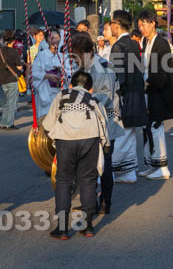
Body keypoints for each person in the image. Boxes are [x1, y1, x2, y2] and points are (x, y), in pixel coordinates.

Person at [41, 70, 109, 240]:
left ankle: (62, 228)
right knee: (88, 179)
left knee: (63, 180)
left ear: (70, 85)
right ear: (91, 89)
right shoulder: (94, 99)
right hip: (90, 138)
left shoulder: (61, 95)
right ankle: (88, 226)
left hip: (65, 140)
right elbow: (104, 123)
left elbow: (48, 124)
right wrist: (105, 146)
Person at [69, 32, 118, 214]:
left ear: (87, 52)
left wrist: (83, 98)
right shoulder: (82, 68)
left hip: (107, 121)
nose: (75, 60)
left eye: (77, 56)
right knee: (86, 163)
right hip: (87, 122)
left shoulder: (104, 67)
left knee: (104, 163)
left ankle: (106, 200)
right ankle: (90, 201)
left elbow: (105, 96)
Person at [107, 9, 147, 184]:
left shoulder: (118, 46)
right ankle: (129, 172)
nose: (110, 26)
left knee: (120, 135)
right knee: (129, 135)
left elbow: (116, 76)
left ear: (117, 24)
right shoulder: (133, 44)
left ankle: (113, 170)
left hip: (124, 96)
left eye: (112, 23)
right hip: (137, 93)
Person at [139, 9, 173, 179]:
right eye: (140, 25)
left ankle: (163, 167)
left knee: (156, 127)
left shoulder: (161, 43)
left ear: (153, 23)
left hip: (158, 90)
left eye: (145, 24)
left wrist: (149, 81)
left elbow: (163, 69)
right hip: (149, 89)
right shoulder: (147, 42)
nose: (142, 28)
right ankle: (152, 164)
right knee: (148, 128)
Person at [32, 29, 68, 116]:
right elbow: (35, 72)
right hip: (46, 91)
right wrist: (46, 75)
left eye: (57, 37)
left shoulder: (63, 56)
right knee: (46, 118)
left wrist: (65, 77)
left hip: (60, 91)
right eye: (51, 37)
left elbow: (70, 73)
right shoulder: (41, 55)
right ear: (47, 39)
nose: (54, 40)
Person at [0, 30, 24, 130]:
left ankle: (3, 123)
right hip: (12, 79)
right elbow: (20, 67)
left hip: (3, 79)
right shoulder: (14, 52)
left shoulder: (0, 51)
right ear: (13, 40)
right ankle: (9, 124)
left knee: (6, 102)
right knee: (12, 102)